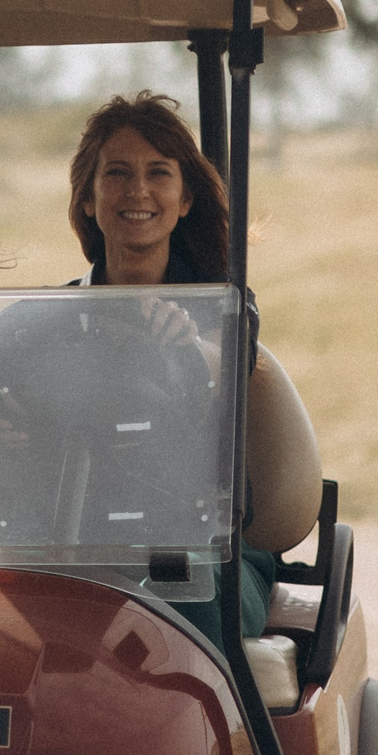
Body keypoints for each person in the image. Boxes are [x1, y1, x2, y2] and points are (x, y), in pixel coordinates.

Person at [59, 91, 322, 652]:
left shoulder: (224, 307)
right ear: (88, 199)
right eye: (118, 173)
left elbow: (222, 359)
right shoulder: (52, 317)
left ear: (183, 201)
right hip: (84, 544)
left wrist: (174, 342)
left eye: (159, 173)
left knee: (180, 614)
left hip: (207, 551)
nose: (138, 191)